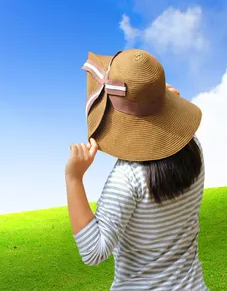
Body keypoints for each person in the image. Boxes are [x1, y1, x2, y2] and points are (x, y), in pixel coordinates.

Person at [65, 49, 209, 290]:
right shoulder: (193, 145)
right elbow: (171, 136)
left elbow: (94, 251)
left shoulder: (128, 177)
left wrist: (74, 179)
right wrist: (162, 110)